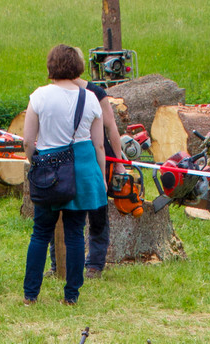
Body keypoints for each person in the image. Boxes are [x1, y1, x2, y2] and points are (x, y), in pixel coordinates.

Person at [21, 45, 105, 306]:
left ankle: (31, 294)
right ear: (77, 67)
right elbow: (99, 144)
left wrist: (35, 163)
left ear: (51, 66)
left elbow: (28, 141)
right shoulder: (90, 98)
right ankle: (71, 296)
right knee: (75, 233)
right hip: (81, 169)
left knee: (40, 232)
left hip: (49, 170)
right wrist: (100, 176)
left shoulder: (39, 97)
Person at [77, 67, 125, 278]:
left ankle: (95, 263)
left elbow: (111, 127)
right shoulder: (54, 92)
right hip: (69, 158)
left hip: (98, 158)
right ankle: (59, 262)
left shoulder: (97, 93)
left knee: (98, 212)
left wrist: (119, 162)